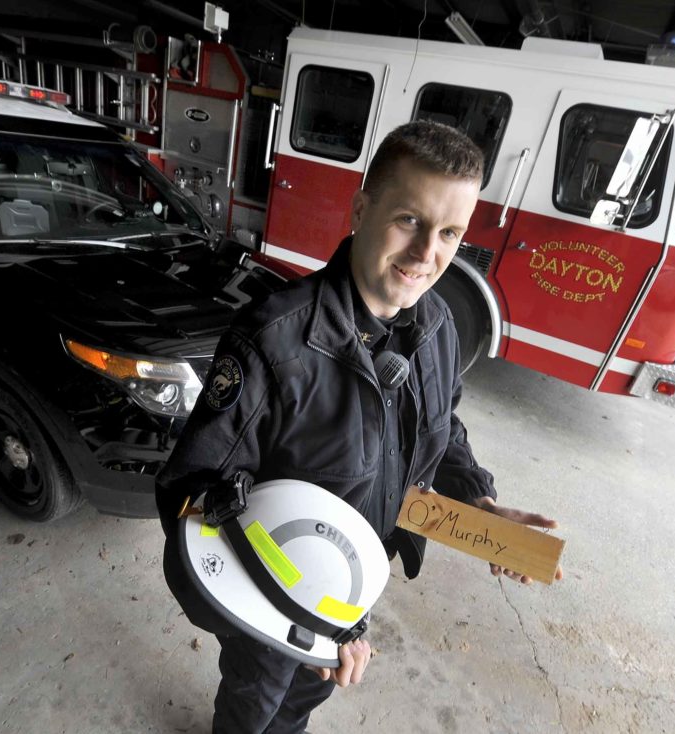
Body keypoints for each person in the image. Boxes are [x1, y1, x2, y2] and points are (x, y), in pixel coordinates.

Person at [156, 120, 562, 734]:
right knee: (255, 706)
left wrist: (481, 507)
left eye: (449, 233)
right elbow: (192, 494)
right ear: (361, 209)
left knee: (301, 704)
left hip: (351, 587)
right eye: (409, 220)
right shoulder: (274, 343)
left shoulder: (438, 326)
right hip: (270, 595)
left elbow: (442, 425)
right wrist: (294, 624)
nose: (426, 254)